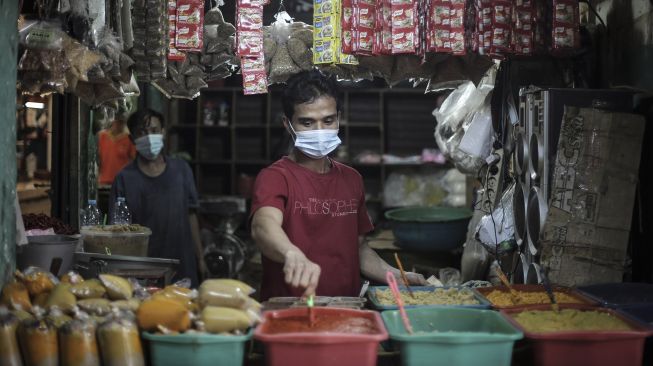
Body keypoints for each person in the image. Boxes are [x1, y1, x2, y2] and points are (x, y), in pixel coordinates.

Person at [250, 70, 426, 300]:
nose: (320, 131)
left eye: (328, 120)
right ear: (287, 124)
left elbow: (357, 248)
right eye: (307, 122)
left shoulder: (352, 179)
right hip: (292, 310)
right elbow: (263, 226)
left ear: (338, 118)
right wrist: (291, 253)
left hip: (348, 307)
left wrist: (396, 276)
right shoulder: (275, 177)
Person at [109, 109, 205, 286]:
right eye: (141, 133)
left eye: (154, 131)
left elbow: (192, 216)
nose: (149, 136)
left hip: (182, 264)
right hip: (143, 270)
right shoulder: (124, 178)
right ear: (132, 139)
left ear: (163, 132)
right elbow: (118, 231)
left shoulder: (181, 170)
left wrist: (200, 258)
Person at [98, 114, 136, 186]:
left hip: (122, 182)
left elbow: (135, 161)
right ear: (112, 122)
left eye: (122, 122)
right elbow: (97, 160)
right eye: (117, 121)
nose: (119, 125)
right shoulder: (102, 137)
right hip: (104, 182)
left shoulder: (129, 139)